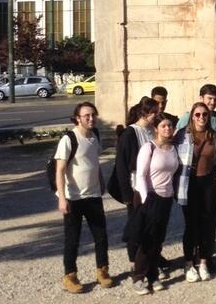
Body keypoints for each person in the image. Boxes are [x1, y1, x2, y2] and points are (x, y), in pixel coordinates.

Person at [55, 102, 113, 293]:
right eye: (86, 115)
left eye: (93, 115)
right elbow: (60, 169)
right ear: (77, 118)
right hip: (74, 197)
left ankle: (102, 271)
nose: (91, 118)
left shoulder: (95, 135)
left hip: (93, 194)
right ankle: (70, 275)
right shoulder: (69, 139)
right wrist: (62, 198)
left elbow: (93, 161)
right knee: (73, 238)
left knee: (101, 236)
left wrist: (101, 181)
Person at [133, 114, 180, 294]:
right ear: (156, 129)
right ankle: (138, 276)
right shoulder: (149, 147)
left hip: (166, 198)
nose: (167, 129)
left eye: (169, 126)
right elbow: (141, 175)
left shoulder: (173, 148)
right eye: (163, 126)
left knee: (158, 239)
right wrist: (146, 200)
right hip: (150, 197)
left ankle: (152, 275)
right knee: (146, 239)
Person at [113, 97, 159, 272]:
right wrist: (126, 195)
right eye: (153, 112)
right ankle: (134, 261)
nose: (156, 115)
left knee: (151, 225)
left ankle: (150, 257)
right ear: (144, 113)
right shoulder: (130, 134)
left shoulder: (152, 130)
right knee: (136, 225)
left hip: (152, 185)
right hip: (135, 187)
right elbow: (121, 166)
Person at [175, 102, 216, 283]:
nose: (202, 118)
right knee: (191, 224)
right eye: (198, 114)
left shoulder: (214, 136)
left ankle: (203, 261)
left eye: (205, 115)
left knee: (208, 223)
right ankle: (188, 262)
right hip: (189, 182)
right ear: (192, 116)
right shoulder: (182, 135)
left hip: (208, 182)